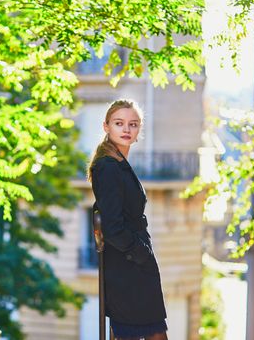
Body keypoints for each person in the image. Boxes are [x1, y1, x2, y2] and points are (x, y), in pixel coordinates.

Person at [87, 99, 168, 340]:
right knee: (151, 335)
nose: (126, 129)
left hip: (135, 266)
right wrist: (141, 253)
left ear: (138, 130)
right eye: (119, 123)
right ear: (106, 126)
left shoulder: (119, 163)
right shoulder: (108, 167)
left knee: (145, 333)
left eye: (133, 124)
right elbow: (112, 226)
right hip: (127, 267)